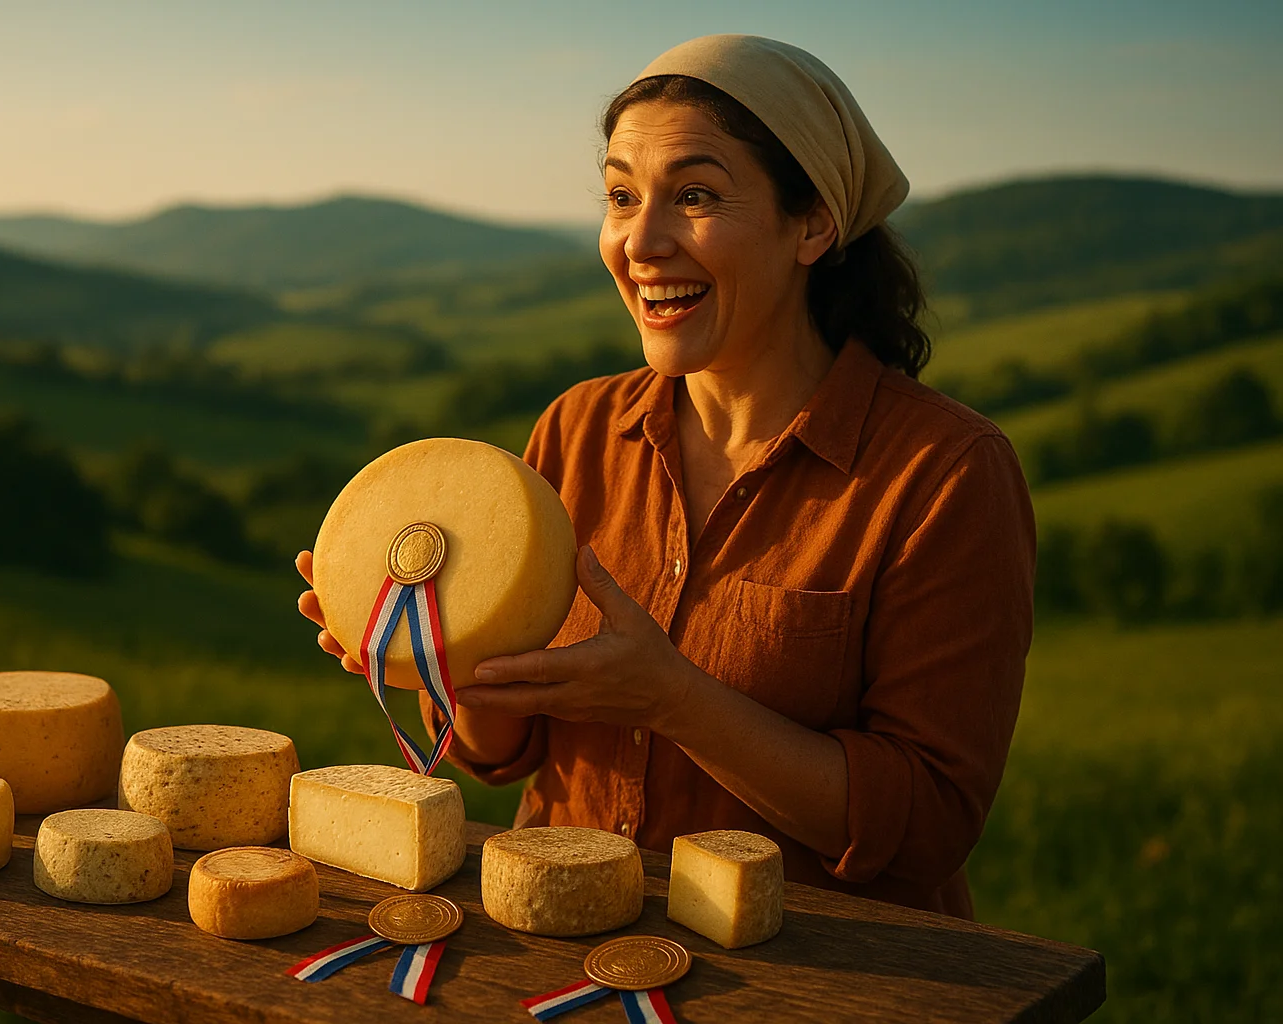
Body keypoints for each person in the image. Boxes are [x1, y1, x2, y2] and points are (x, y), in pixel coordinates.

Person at [296, 34, 1034, 919]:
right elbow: (503, 755)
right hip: (563, 940)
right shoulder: (577, 429)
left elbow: (927, 824)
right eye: (620, 196)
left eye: (695, 196)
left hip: (822, 973)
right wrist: (441, 661)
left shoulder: (945, 473)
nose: (640, 242)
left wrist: (674, 700)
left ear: (812, 224)